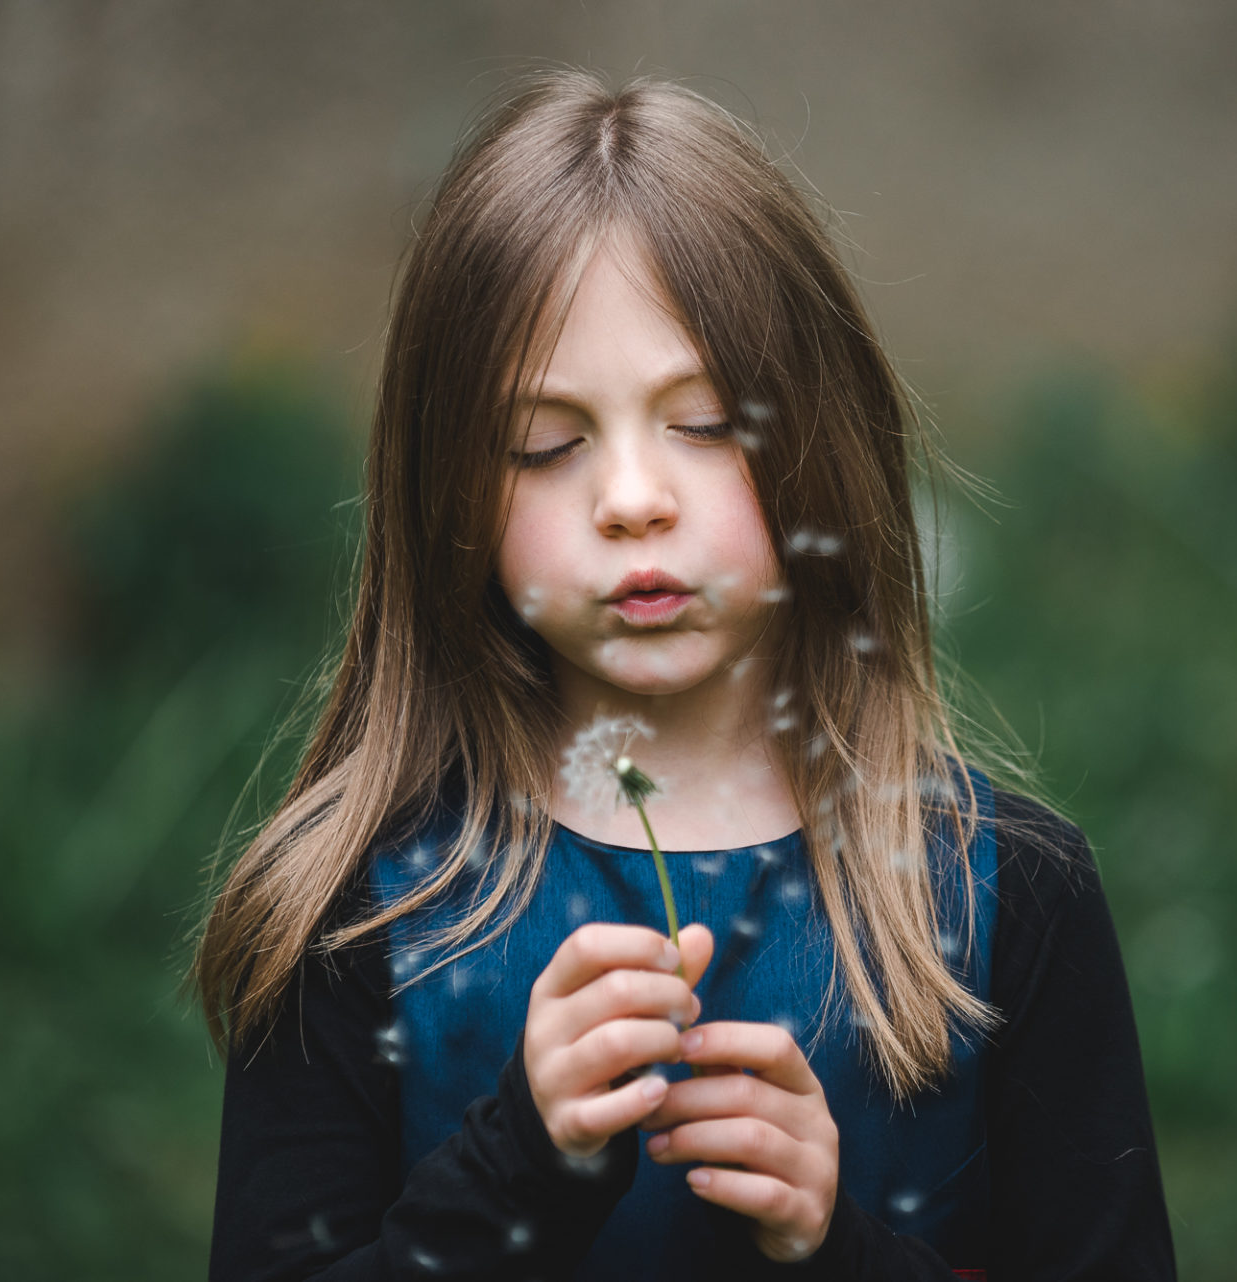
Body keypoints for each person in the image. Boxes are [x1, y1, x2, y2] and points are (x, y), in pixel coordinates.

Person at [196, 69, 1176, 1281]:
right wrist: (520, 1164)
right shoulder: (358, 915)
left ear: (821, 438)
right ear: (446, 493)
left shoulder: (1004, 900)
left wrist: (838, 1248)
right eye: (543, 445)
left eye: (706, 423)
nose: (632, 500)